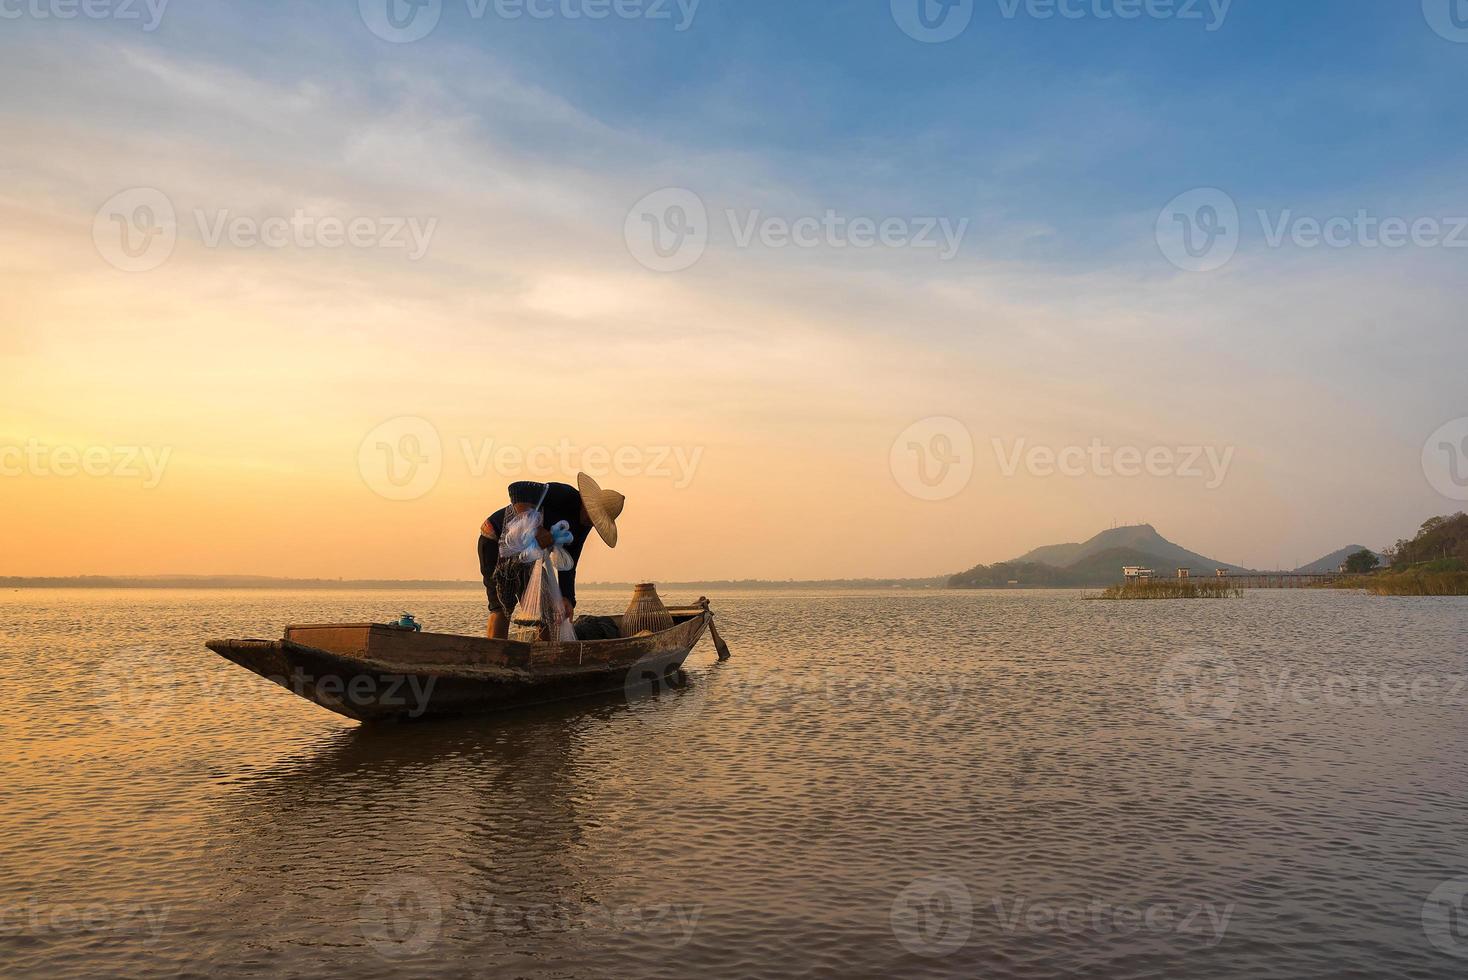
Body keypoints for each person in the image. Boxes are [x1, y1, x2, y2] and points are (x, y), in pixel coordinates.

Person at [478, 473, 624, 639]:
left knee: (550, 611)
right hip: (496, 540)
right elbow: (518, 488)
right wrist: (535, 528)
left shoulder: (584, 525)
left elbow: (569, 562)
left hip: (527, 556)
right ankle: (496, 658)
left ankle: (544, 656)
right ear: (586, 504)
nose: (591, 522)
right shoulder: (564, 495)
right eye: (592, 516)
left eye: (596, 521)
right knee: (502, 606)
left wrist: (567, 598)